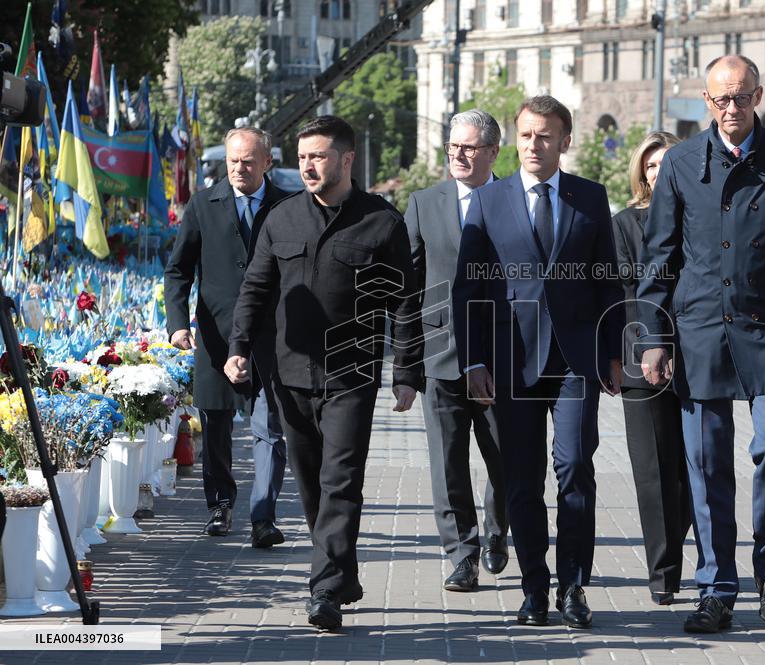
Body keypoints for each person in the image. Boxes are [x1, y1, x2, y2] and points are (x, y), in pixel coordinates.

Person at [636, 55, 765, 633]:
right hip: (700, 331)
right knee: (706, 463)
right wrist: (653, 338)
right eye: (721, 99)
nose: (731, 108)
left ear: (758, 97)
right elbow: (660, 258)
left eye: (742, 97)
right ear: (707, 100)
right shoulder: (680, 163)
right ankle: (716, 590)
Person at [224, 116, 423, 630]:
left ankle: (326, 591)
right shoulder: (282, 218)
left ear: (347, 159)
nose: (308, 166)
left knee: (341, 481)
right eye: (302, 157)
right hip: (289, 374)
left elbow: (405, 303)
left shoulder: (382, 222)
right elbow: (255, 288)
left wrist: (406, 371)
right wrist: (239, 347)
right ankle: (341, 574)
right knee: (311, 485)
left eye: (318, 156)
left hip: (352, 375)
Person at [453, 95, 624, 629]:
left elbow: (608, 280)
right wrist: (473, 360)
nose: (533, 144)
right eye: (526, 135)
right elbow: (467, 289)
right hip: (512, 360)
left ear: (564, 141)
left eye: (545, 136)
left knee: (574, 467)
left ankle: (573, 586)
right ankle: (534, 589)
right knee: (522, 479)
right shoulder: (489, 199)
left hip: (576, 358)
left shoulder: (589, 198)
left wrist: (614, 352)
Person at [164, 127, 289, 546]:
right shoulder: (204, 204)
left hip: (271, 337)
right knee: (215, 424)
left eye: (248, 161)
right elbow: (178, 270)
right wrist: (177, 323)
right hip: (216, 336)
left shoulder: (287, 206)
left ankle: (264, 517)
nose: (238, 168)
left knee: (269, 427)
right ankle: (220, 504)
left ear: (267, 162)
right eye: (233, 161)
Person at [404, 109, 509, 593]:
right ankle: (462, 554)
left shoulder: (515, 201)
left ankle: (497, 530)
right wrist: (406, 365)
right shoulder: (424, 203)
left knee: (505, 459)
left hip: (502, 356)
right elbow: (408, 288)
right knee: (447, 462)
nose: (458, 154)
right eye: (453, 145)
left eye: (468, 147)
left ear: (492, 151)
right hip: (440, 354)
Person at [610, 130, 691, 606]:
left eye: (667, 163)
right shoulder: (625, 224)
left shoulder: (699, 217)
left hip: (698, 356)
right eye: (651, 165)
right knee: (653, 471)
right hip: (641, 357)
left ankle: (674, 548)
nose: (659, 173)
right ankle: (663, 574)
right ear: (642, 173)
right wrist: (629, 354)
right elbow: (624, 295)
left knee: (693, 470)